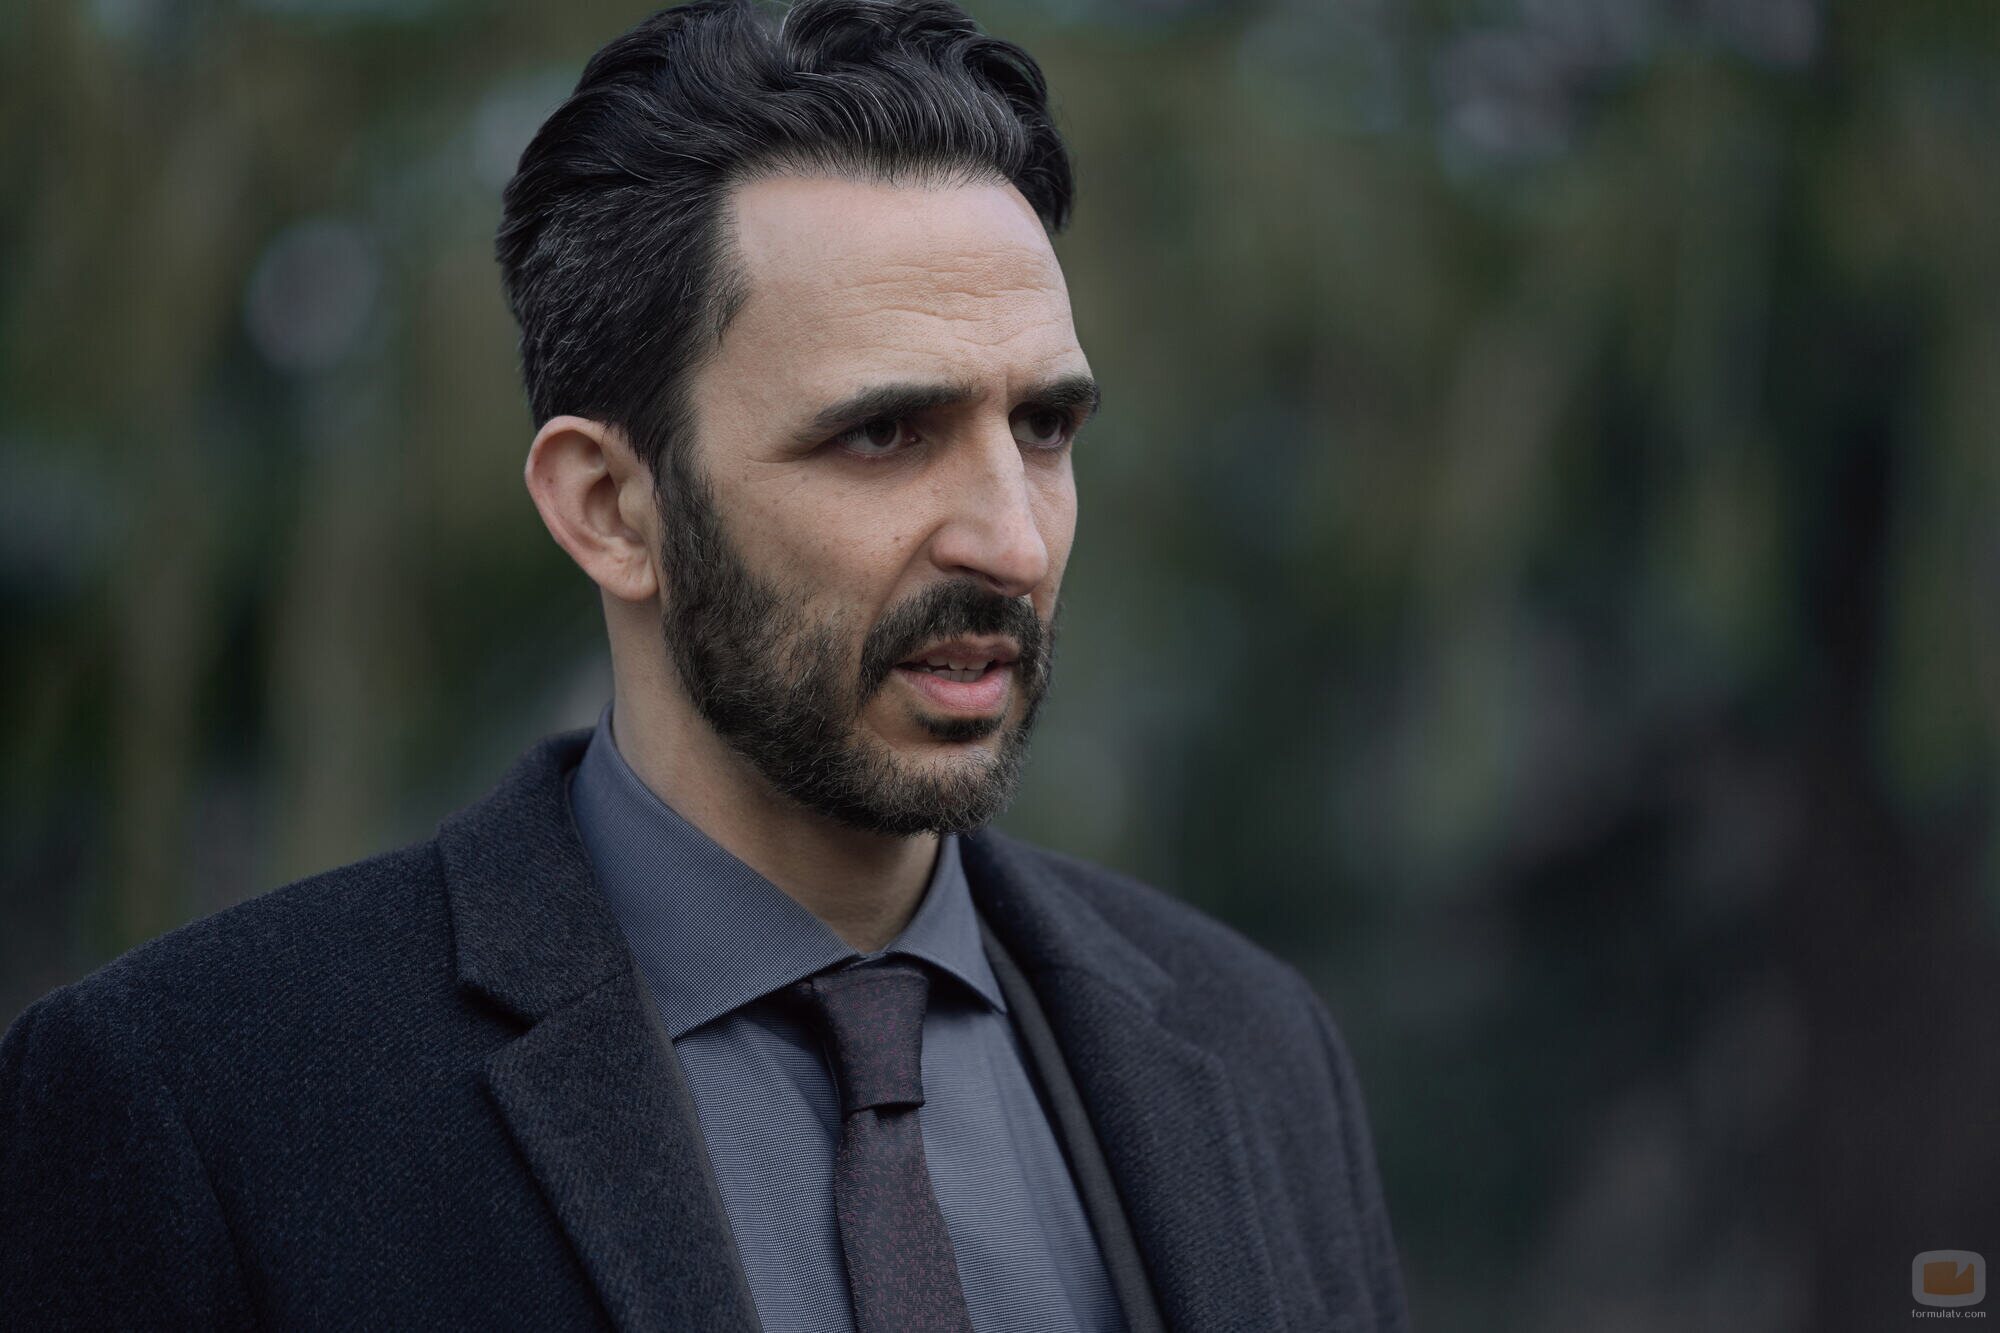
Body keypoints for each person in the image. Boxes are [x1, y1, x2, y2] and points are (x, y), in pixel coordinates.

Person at [0, 0, 1409, 1328]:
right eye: (883, 434)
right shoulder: (198, 1103)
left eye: (1042, 427)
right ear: (611, 509)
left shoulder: (1254, 1050)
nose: (1012, 541)